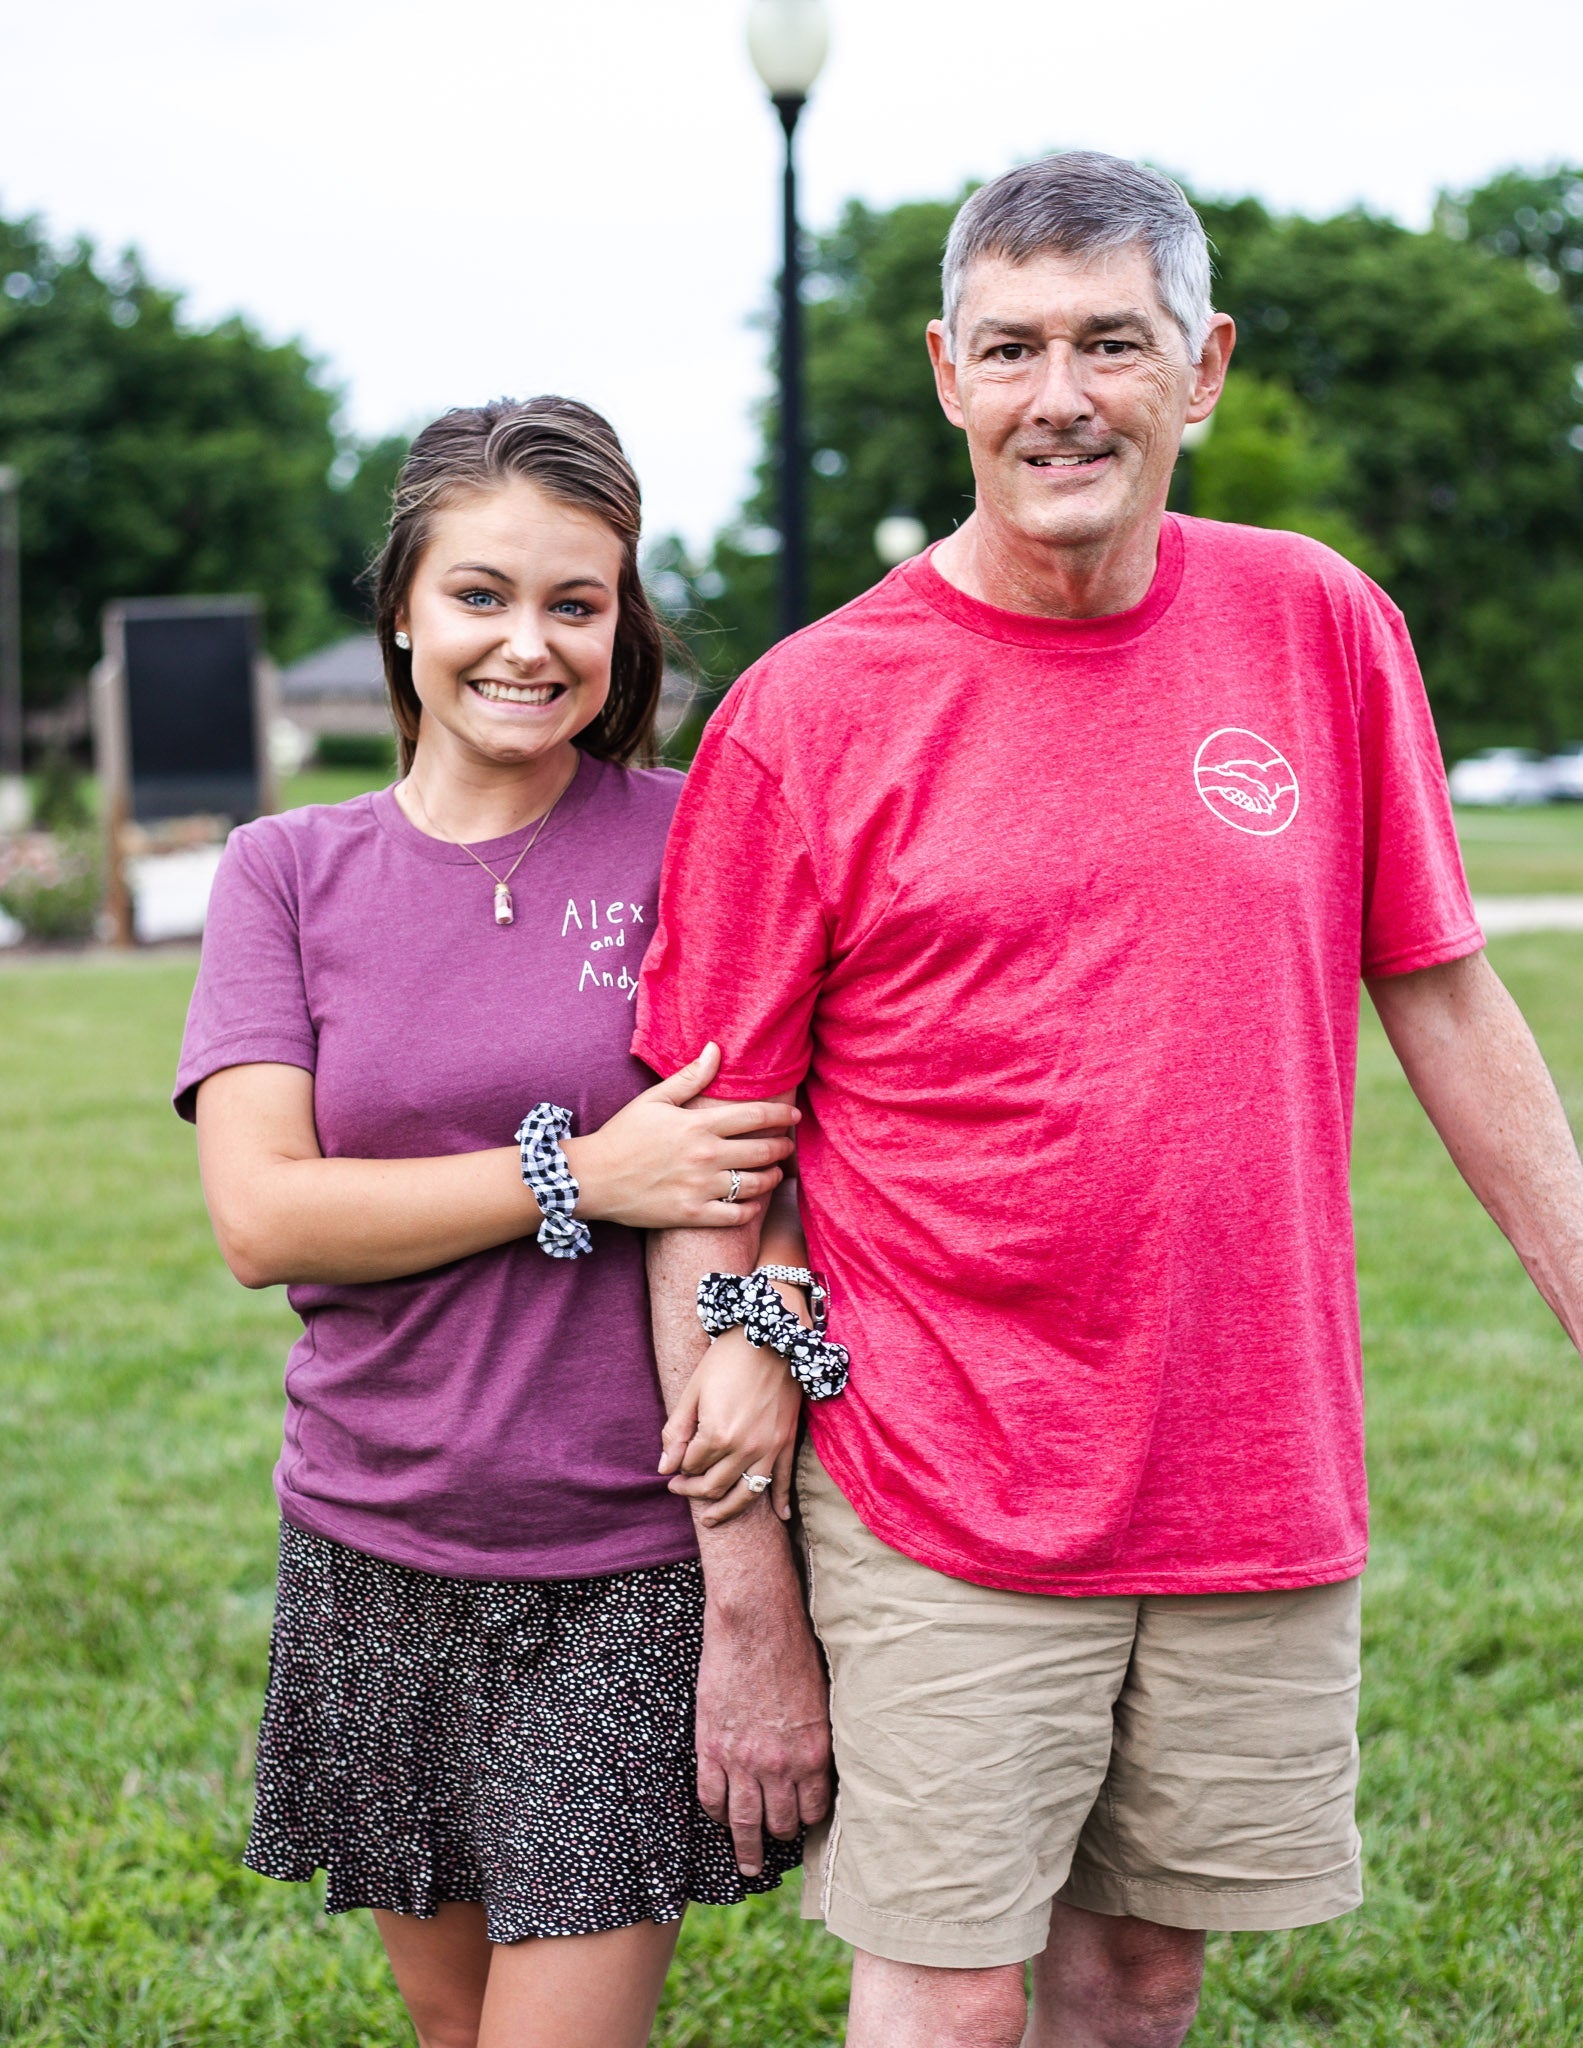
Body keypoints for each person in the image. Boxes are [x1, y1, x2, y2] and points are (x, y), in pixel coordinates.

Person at [634, 153, 1583, 2048]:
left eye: (1111, 343)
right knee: (949, 1994)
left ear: (1202, 366)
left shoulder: (1320, 623)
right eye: (1011, 348)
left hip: (1252, 1458)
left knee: (1143, 1975)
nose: (1059, 395)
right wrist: (745, 1602)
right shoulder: (812, 712)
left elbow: (1442, 991)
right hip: (941, 1472)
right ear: (947, 374)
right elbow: (702, 1164)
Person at [174, 397, 827, 2048]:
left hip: (622, 1559)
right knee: (453, 2023)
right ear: (402, 608)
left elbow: (798, 1156)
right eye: (481, 594)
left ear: (621, 624)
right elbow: (264, 1214)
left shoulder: (695, 836)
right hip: (372, 1541)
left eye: (574, 603)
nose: (527, 644)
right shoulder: (285, 872)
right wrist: (580, 1175)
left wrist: (771, 1331)